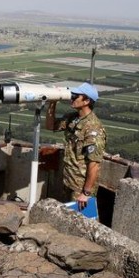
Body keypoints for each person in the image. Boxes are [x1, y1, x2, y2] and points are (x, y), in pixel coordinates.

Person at [45, 82, 107, 212]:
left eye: (76, 96)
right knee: (69, 219)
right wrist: (52, 103)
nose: (72, 98)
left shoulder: (93, 128)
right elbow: (50, 126)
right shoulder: (73, 119)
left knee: (82, 221)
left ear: (86, 101)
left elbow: (94, 163)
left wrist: (86, 192)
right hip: (69, 179)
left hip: (80, 185)